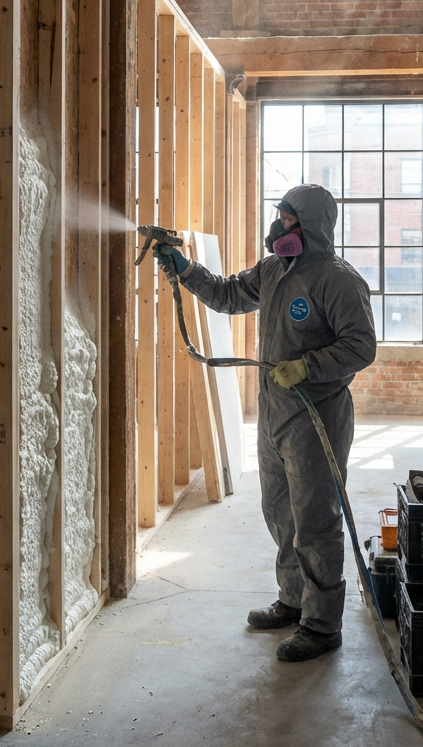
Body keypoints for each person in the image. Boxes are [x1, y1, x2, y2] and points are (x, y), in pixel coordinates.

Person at [157, 183, 376, 661]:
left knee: (315, 519)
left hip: (316, 415)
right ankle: (294, 601)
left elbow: (361, 346)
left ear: (311, 225)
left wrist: (308, 366)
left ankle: (322, 625)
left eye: (288, 217)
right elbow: (230, 295)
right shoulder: (274, 269)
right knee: (280, 511)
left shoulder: (337, 279)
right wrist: (187, 271)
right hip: (275, 414)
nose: (279, 225)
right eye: (278, 215)